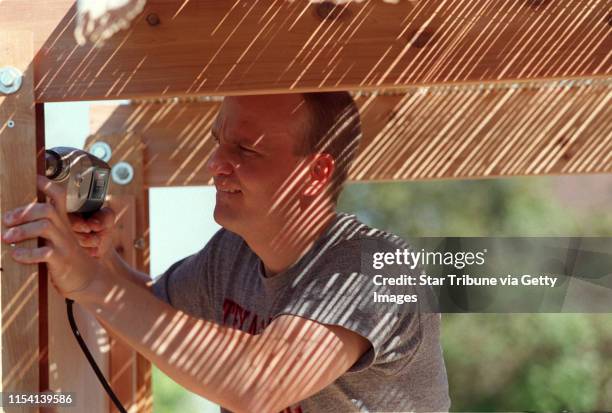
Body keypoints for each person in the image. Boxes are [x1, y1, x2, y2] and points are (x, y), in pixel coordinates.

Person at [1, 92, 450, 412]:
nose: (215, 163)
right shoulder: (233, 254)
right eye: (219, 140)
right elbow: (153, 312)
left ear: (315, 174)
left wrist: (94, 283)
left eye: (244, 149)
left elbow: (259, 384)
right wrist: (96, 259)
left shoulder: (375, 269)